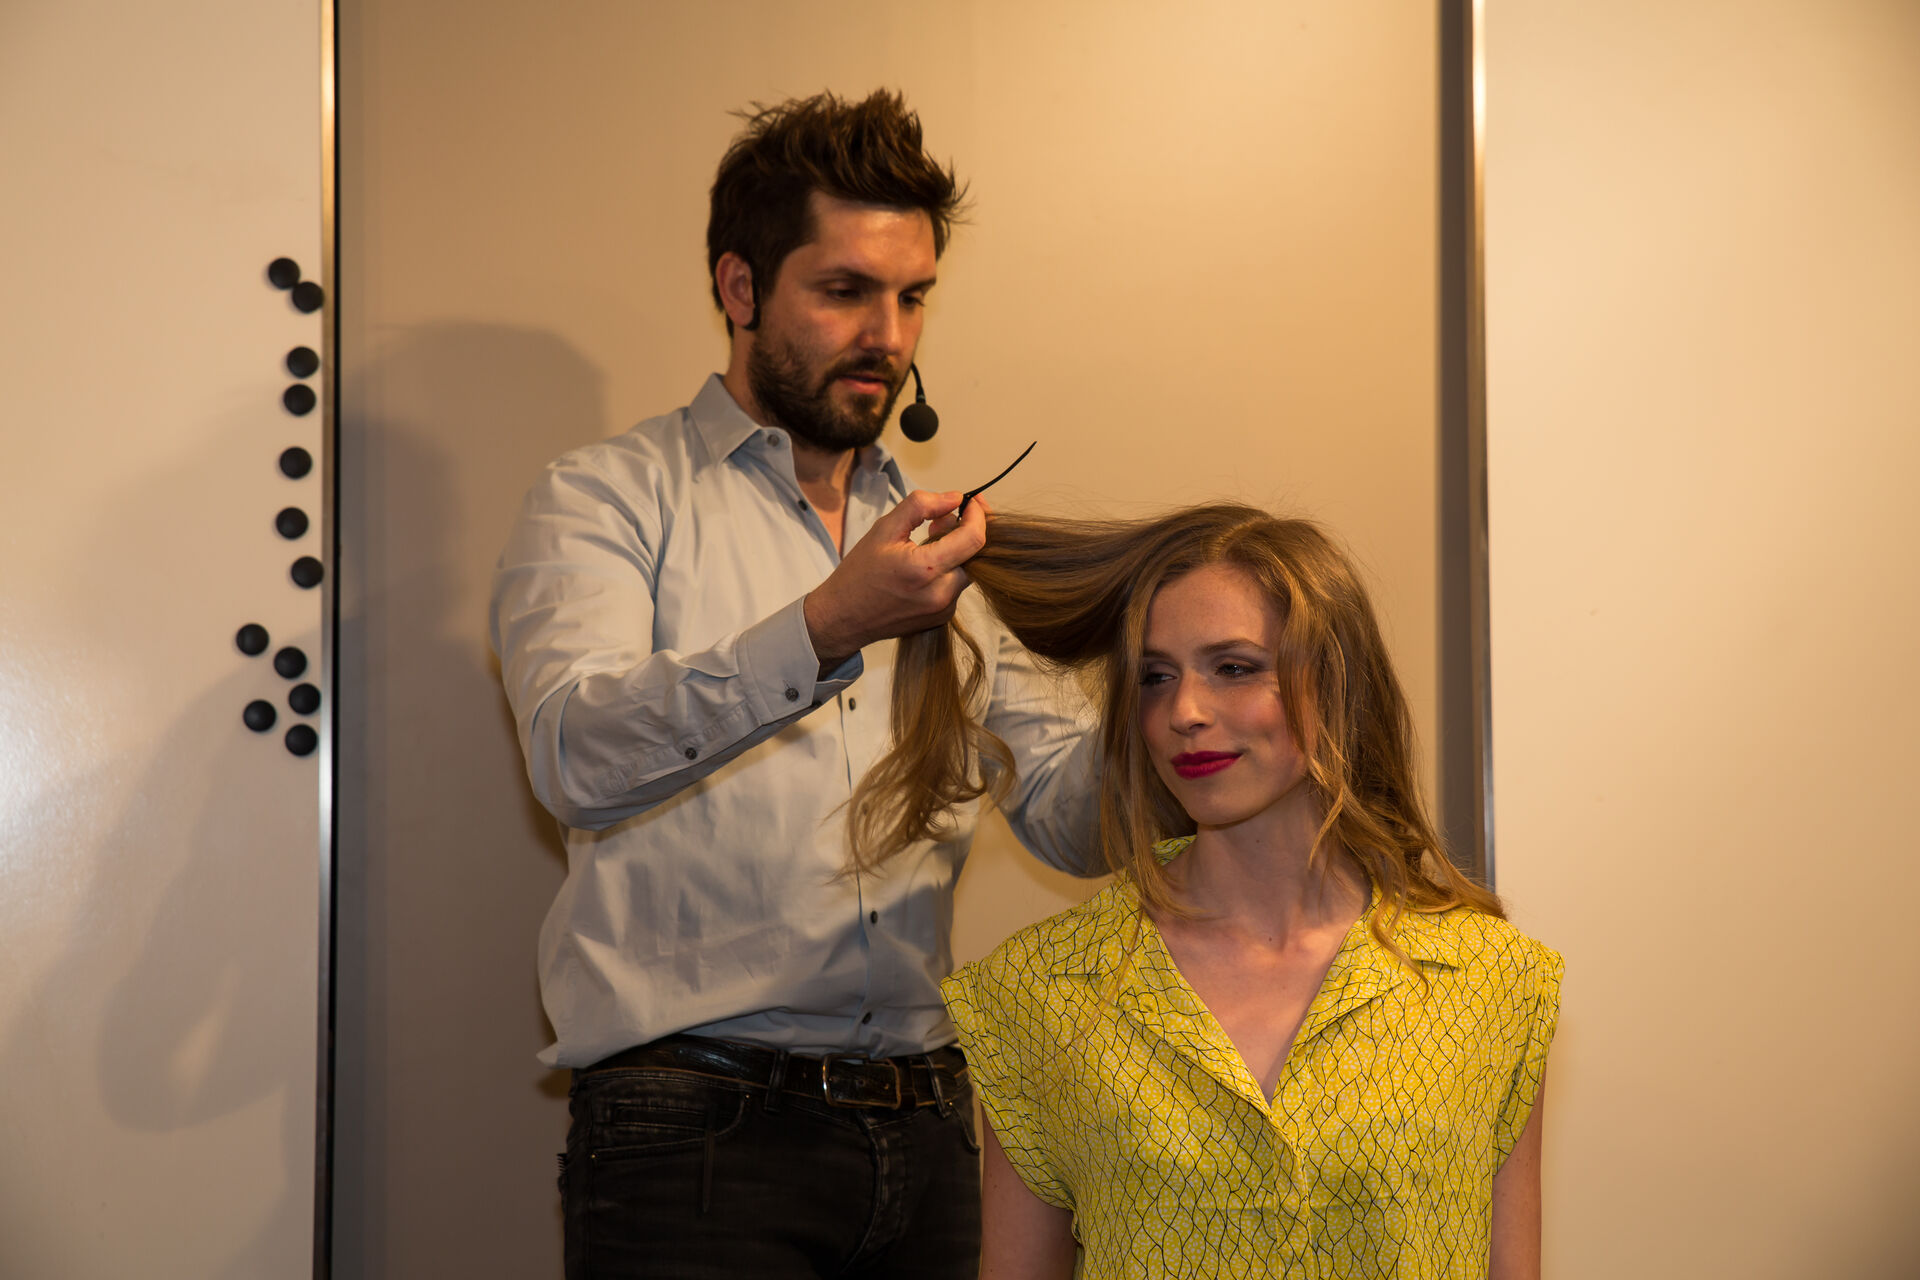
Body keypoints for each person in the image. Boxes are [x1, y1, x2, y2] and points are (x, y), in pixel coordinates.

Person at [488, 90, 1100, 1279]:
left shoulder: (944, 540)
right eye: (846, 290)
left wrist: (1196, 721)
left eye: (913, 295)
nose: (888, 334)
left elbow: (1070, 816)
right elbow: (574, 756)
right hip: (695, 1134)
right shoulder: (606, 498)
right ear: (741, 287)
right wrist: (829, 624)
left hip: (932, 1126)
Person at [855, 505, 1561, 1279]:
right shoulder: (1042, 994)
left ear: (1335, 682)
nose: (1184, 713)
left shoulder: (1491, 980)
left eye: (1234, 667)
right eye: (1156, 678)